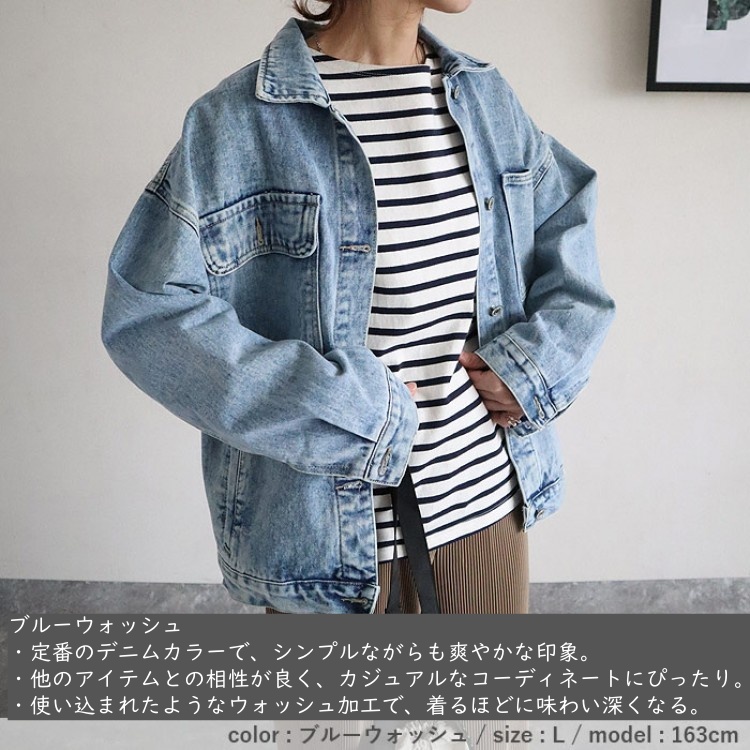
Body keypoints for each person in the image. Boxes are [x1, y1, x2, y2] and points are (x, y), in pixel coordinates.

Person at [101, 0, 615, 618]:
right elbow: (147, 314)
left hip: (486, 514)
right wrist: (346, 411)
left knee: (484, 689)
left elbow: (566, 215)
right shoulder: (239, 121)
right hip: (325, 549)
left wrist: (535, 366)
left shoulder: (484, 99)